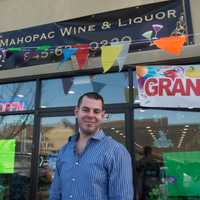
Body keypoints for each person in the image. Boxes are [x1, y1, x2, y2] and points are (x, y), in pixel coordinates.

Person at [49, 92, 133, 200]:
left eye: (96, 111)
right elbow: (55, 194)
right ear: (76, 112)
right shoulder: (64, 151)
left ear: (102, 116)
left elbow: (122, 197)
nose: (91, 115)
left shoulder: (117, 152)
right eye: (85, 110)